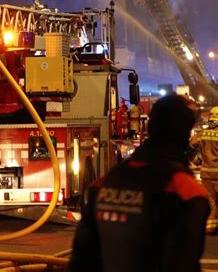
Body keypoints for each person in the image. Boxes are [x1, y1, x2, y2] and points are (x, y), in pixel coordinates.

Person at [69, 93, 210, 272]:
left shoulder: (102, 186)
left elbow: (81, 261)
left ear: (151, 126)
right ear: (185, 132)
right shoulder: (187, 194)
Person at [190, 106, 218, 234]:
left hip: (206, 174)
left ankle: (210, 228)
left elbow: (189, 147)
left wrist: (197, 161)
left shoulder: (202, 134)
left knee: (212, 203)